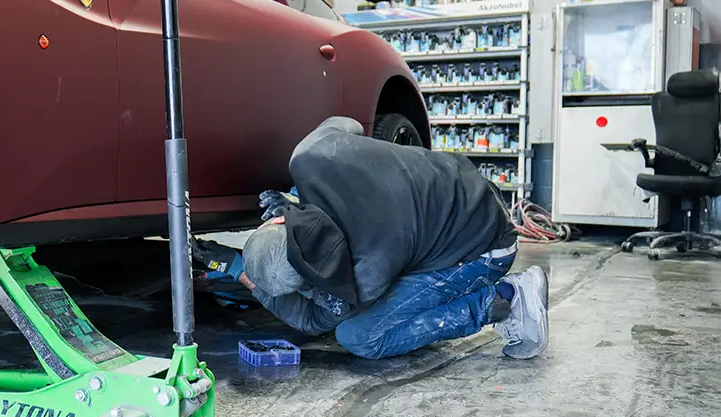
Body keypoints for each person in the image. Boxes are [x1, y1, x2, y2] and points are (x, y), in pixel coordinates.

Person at [192, 116, 548, 360]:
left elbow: (314, 321)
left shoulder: (367, 273)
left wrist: (240, 270)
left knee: (361, 337)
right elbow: (348, 124)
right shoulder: (310, 155)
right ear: (278, 220)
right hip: (471, 193)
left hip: (485, 250)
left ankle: (505, 300)